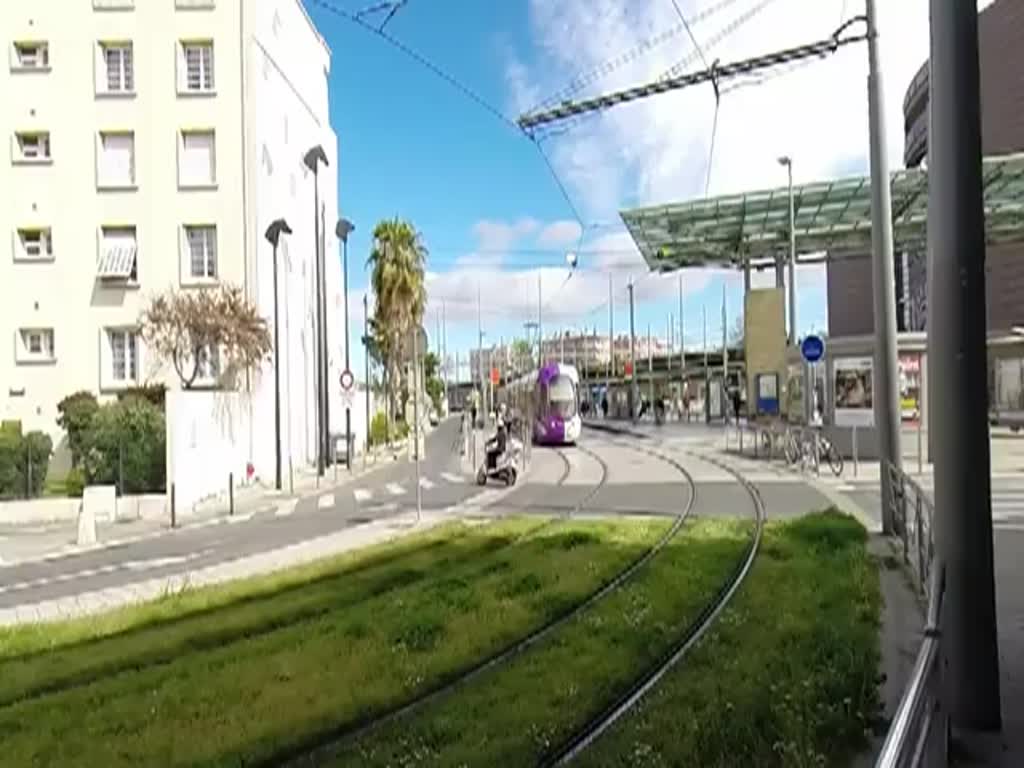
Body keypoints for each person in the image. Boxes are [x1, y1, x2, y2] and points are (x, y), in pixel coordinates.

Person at [485, 404, 508, 469]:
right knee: (492, 452)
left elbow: (494, 439)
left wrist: (488, 442)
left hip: (500, 448)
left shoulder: (500, 432)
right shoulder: (502, 432)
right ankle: (494, 467)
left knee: (490, 453)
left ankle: (492, 468)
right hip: (502, 447)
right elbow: (495, 438)